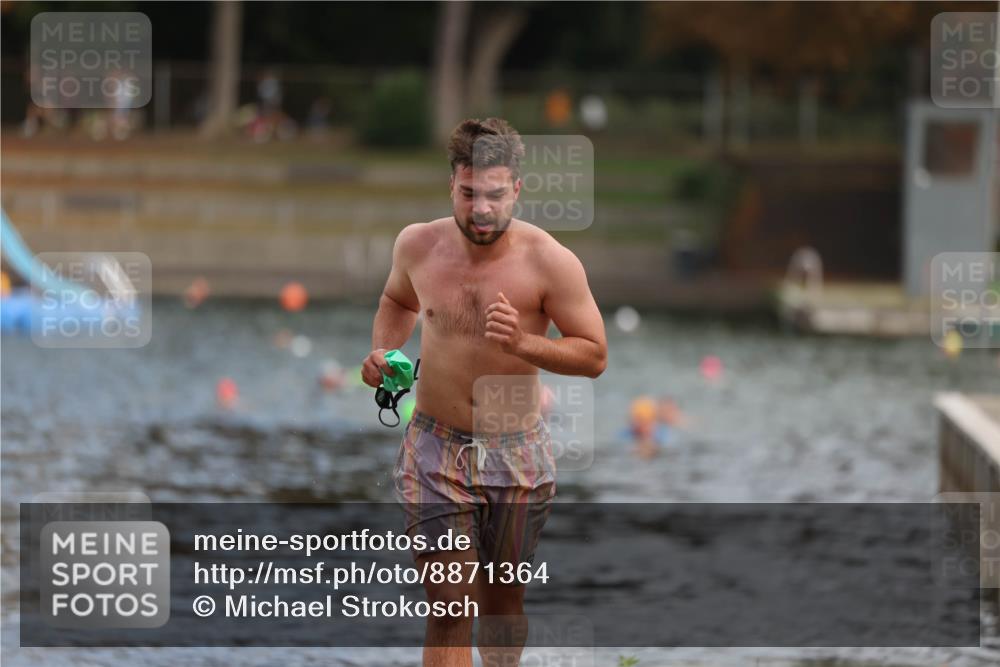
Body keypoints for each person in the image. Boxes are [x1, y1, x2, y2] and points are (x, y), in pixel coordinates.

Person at [361, 117, 607, 667]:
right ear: (452, 182)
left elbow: (594, 355)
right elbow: (398, 303)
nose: (481, 209)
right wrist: (384, 354)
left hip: (517, 451)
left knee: (502, 605)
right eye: (469, 193)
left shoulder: (550, 262)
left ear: (516, 189)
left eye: (495, 195)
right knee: (450, 607)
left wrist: (524, 344)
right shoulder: (417, 245)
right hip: (435, 450)